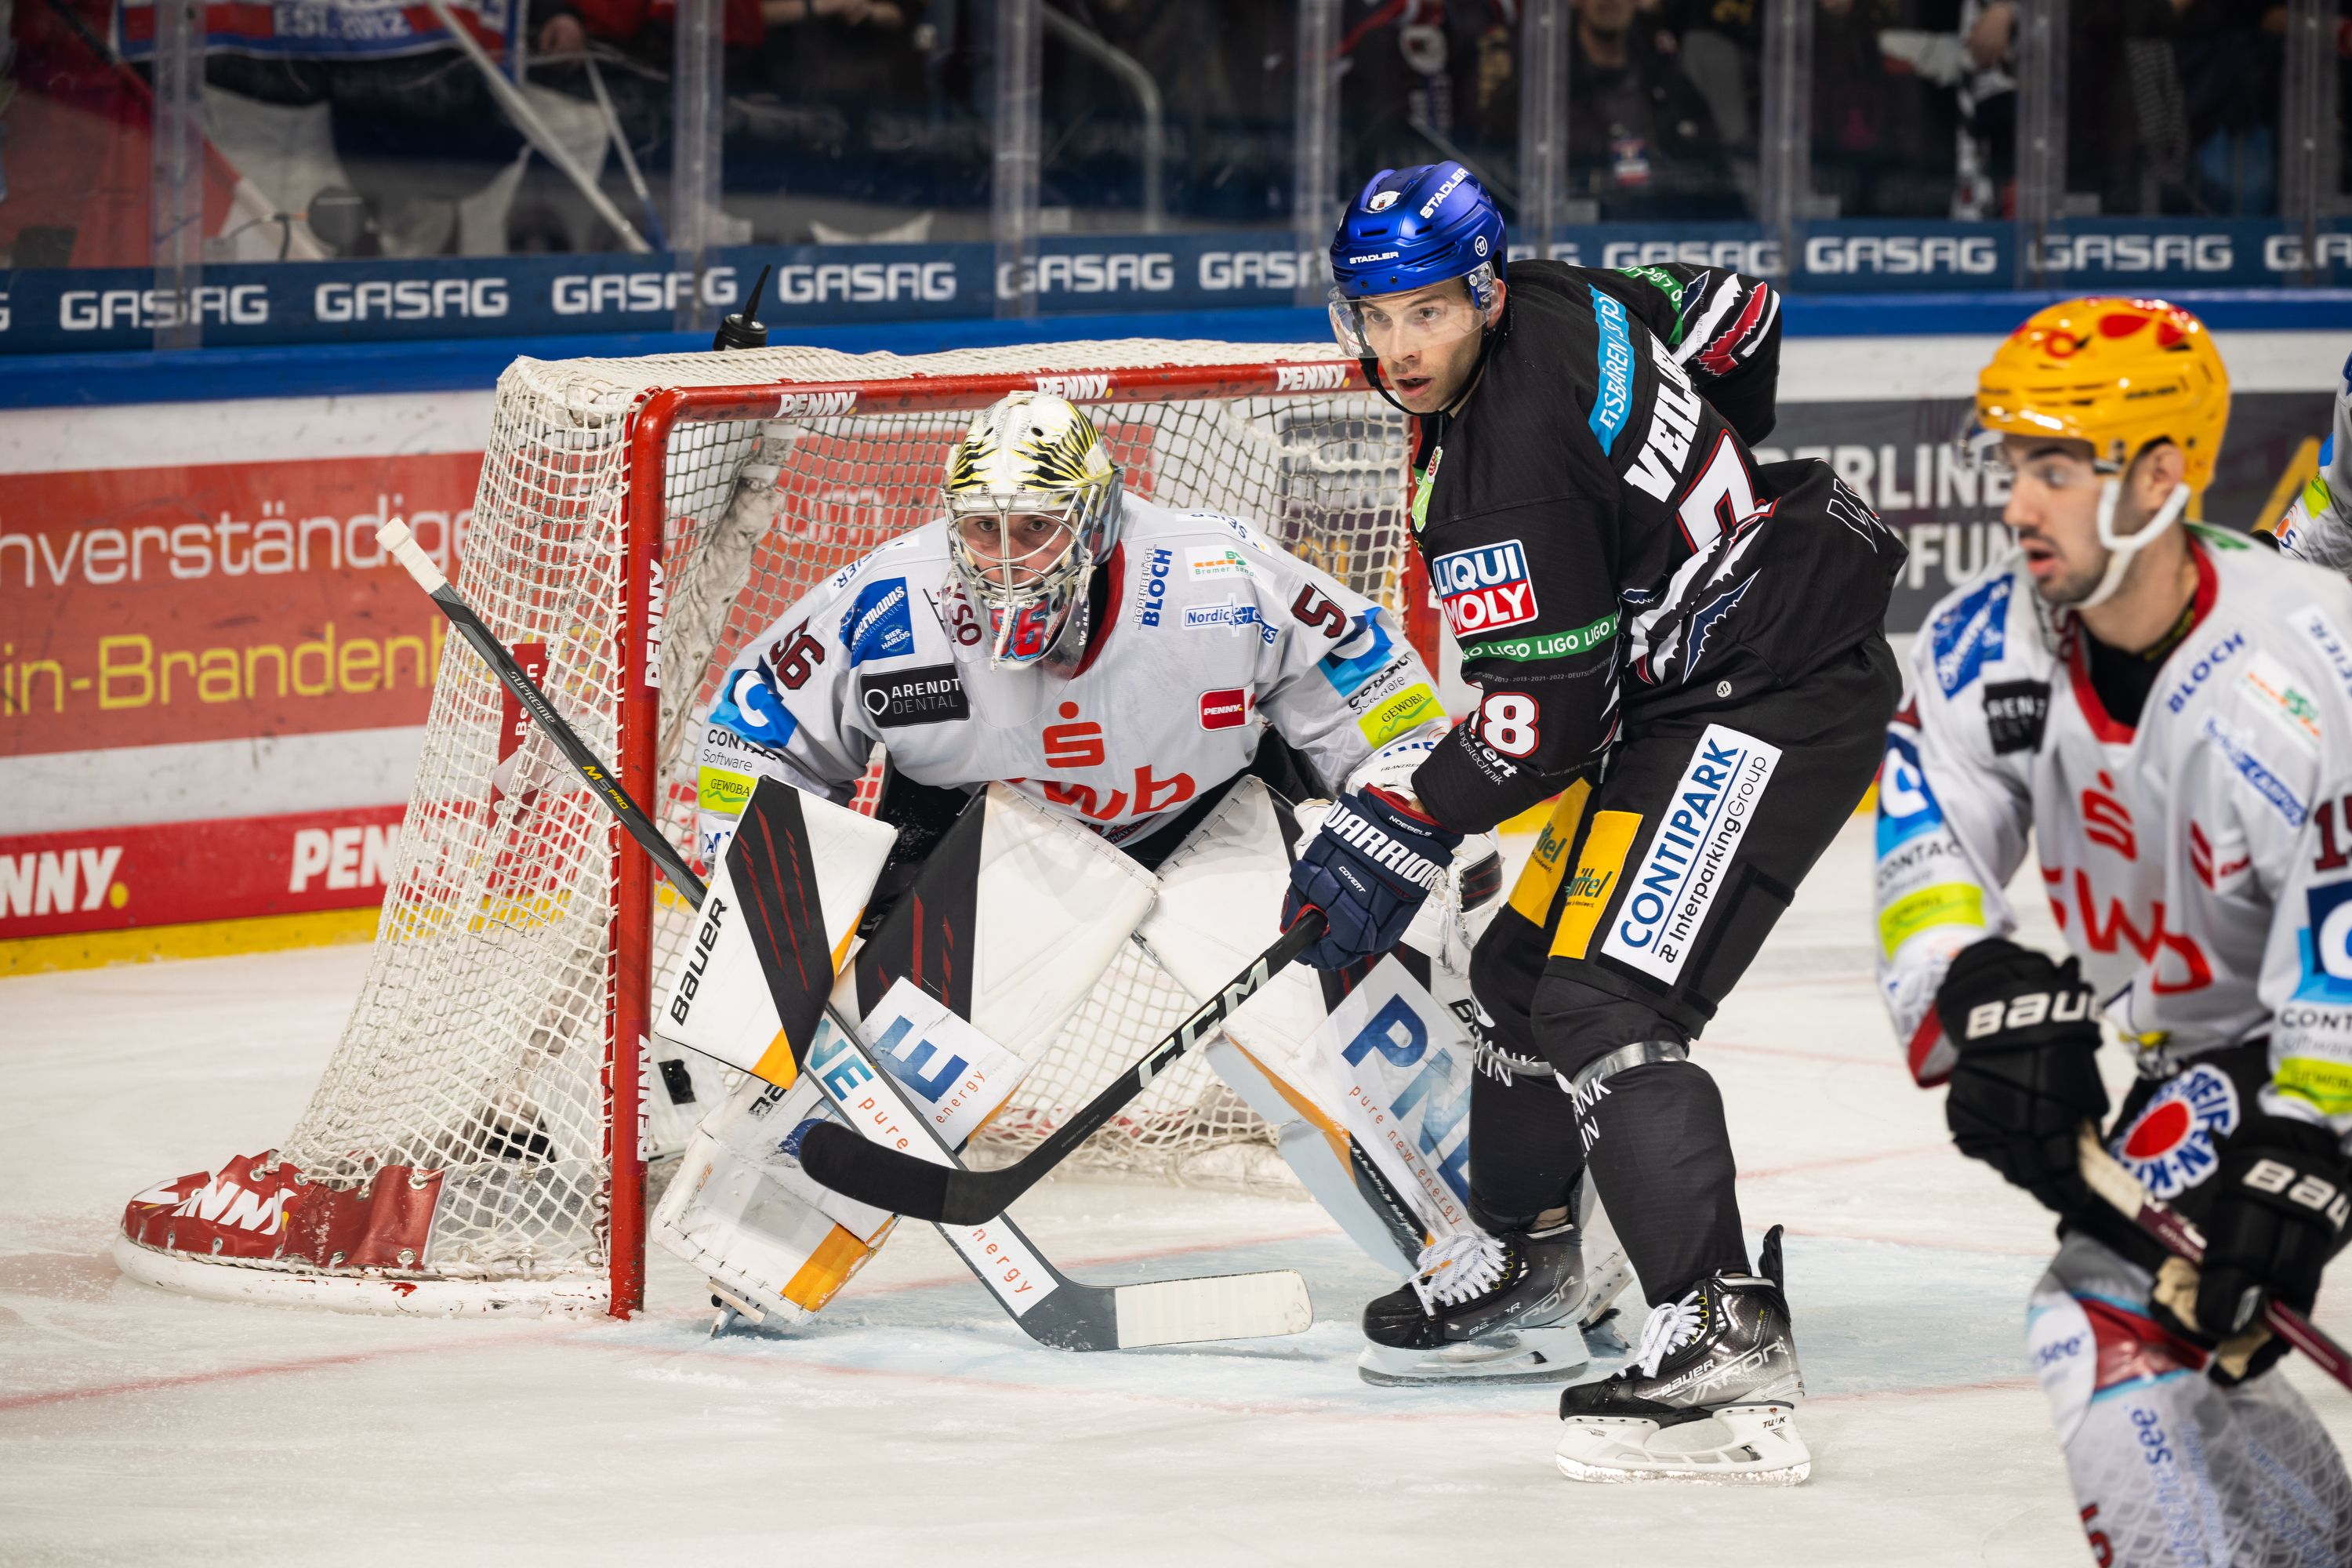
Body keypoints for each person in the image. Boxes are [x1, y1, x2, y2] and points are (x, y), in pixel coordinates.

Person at [1295, 161, 1904, 1482]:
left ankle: (1718, 1325)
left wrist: (1398, 813)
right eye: (1374, 315)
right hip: (1734, 661)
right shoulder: (1580, 294)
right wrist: (1682, 526)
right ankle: (1536, 1260)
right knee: (1517, 978)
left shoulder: (1498, 478)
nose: (1399, 349)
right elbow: (1741, 314)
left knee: (1605, 1001)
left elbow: (1542, 729)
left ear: (1483, 291)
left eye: (1428, 314)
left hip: (1768, 698)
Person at [1875, 296, 2352, 1560]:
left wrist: (2310, 1139)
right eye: (2010, 465)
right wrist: (1975, 995)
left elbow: (2343, 949)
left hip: (2324, 1048)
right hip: (2220, 1053)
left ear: (2156, 476)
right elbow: (1928, 865)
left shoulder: (2309, 663)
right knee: (2108, 1315)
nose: (2017, 504)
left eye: (2055, 468)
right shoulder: (1986, 646)